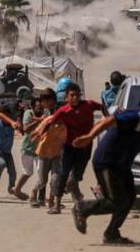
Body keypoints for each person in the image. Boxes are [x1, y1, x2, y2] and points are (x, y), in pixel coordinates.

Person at [71, 93, 140, 245]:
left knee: (129, 199)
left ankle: (112, 233)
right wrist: (89, 137)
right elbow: (108, 120)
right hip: (107, 163)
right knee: (115, 201)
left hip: (121, 165)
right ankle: (82, 207)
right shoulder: (134, 116)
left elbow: (137, 129)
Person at [34, 82, 103, 212]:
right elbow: (50, 121)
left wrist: (109, 117)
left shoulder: (89, 105)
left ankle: (75, 194)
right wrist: (40, 131)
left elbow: (103, 107)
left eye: (77, 95)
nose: (75, 98)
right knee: (63, 174)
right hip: (69, 147)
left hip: (85, 147)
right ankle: (56, 205)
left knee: (76, 175)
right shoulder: (63, 111)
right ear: (66, 97)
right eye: (72, 95)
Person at [31, 89, 65, 210]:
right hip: (45, 150)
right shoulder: (49, 111)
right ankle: (34, 194)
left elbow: (52, 121)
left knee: (55, 177)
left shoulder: (59, 110)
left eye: (43, 102)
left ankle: (52, 201)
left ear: (49, 101)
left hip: (57, 149)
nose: (42, 105)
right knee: (43, 180)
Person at [14, 93, 44, 200]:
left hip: (40, 149)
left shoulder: (45, 113)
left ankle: (35, 193)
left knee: (41, 172)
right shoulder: (28, 113)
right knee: (28, 172)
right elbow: (26, 128)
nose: (40, 110)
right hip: (28, 148)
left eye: (41, 108)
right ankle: (17, 190)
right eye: (38, 108)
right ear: (32, 107)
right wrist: (40, 121)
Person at [0, 105, 20, 196]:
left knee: (12, 171)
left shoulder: (12, 125)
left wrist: (19, 125)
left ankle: (11, 187)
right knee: (2, 163)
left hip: (7, 151)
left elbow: (20, 129)